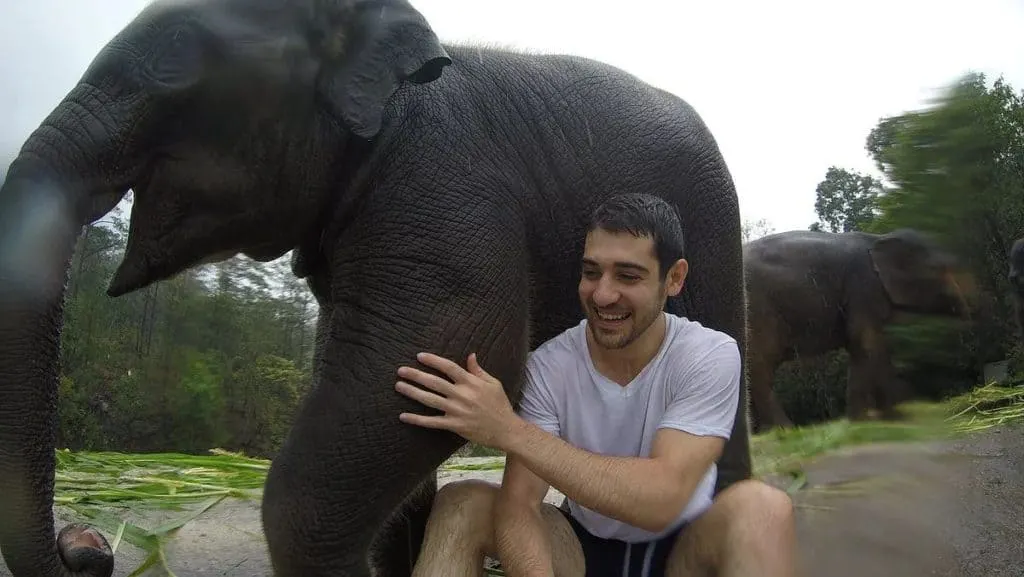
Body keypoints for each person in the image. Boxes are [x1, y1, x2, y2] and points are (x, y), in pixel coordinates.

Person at [394, 193, 797, 577]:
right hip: (583, 548)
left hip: (683, 551)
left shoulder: (708, 354)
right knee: (461, 502)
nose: (602, 295)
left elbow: (663, 498)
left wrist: (507, 429)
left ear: (673, 279)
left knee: (764, 507)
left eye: (628, 275)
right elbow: (521, 507)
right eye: (591, 272)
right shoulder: (549, 366)